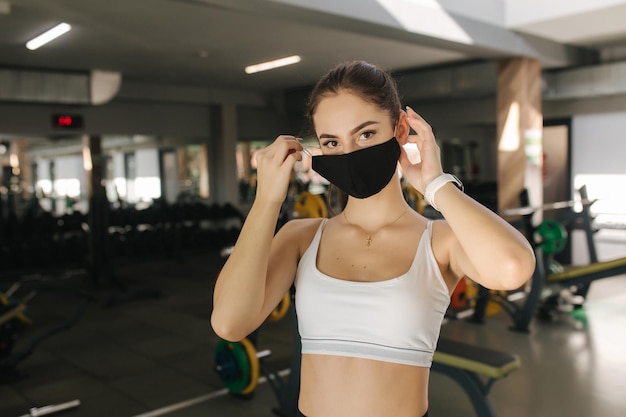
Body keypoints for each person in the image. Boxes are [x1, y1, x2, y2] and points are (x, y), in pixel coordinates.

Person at [211, 60, 535, 417]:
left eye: (365, 134)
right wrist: (267, 200)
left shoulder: (439, 241)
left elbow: (513, 267)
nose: (348, 154)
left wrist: (435, 185)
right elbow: (229, 322)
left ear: (398, 131)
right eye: (332, 142)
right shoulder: (302, 237)